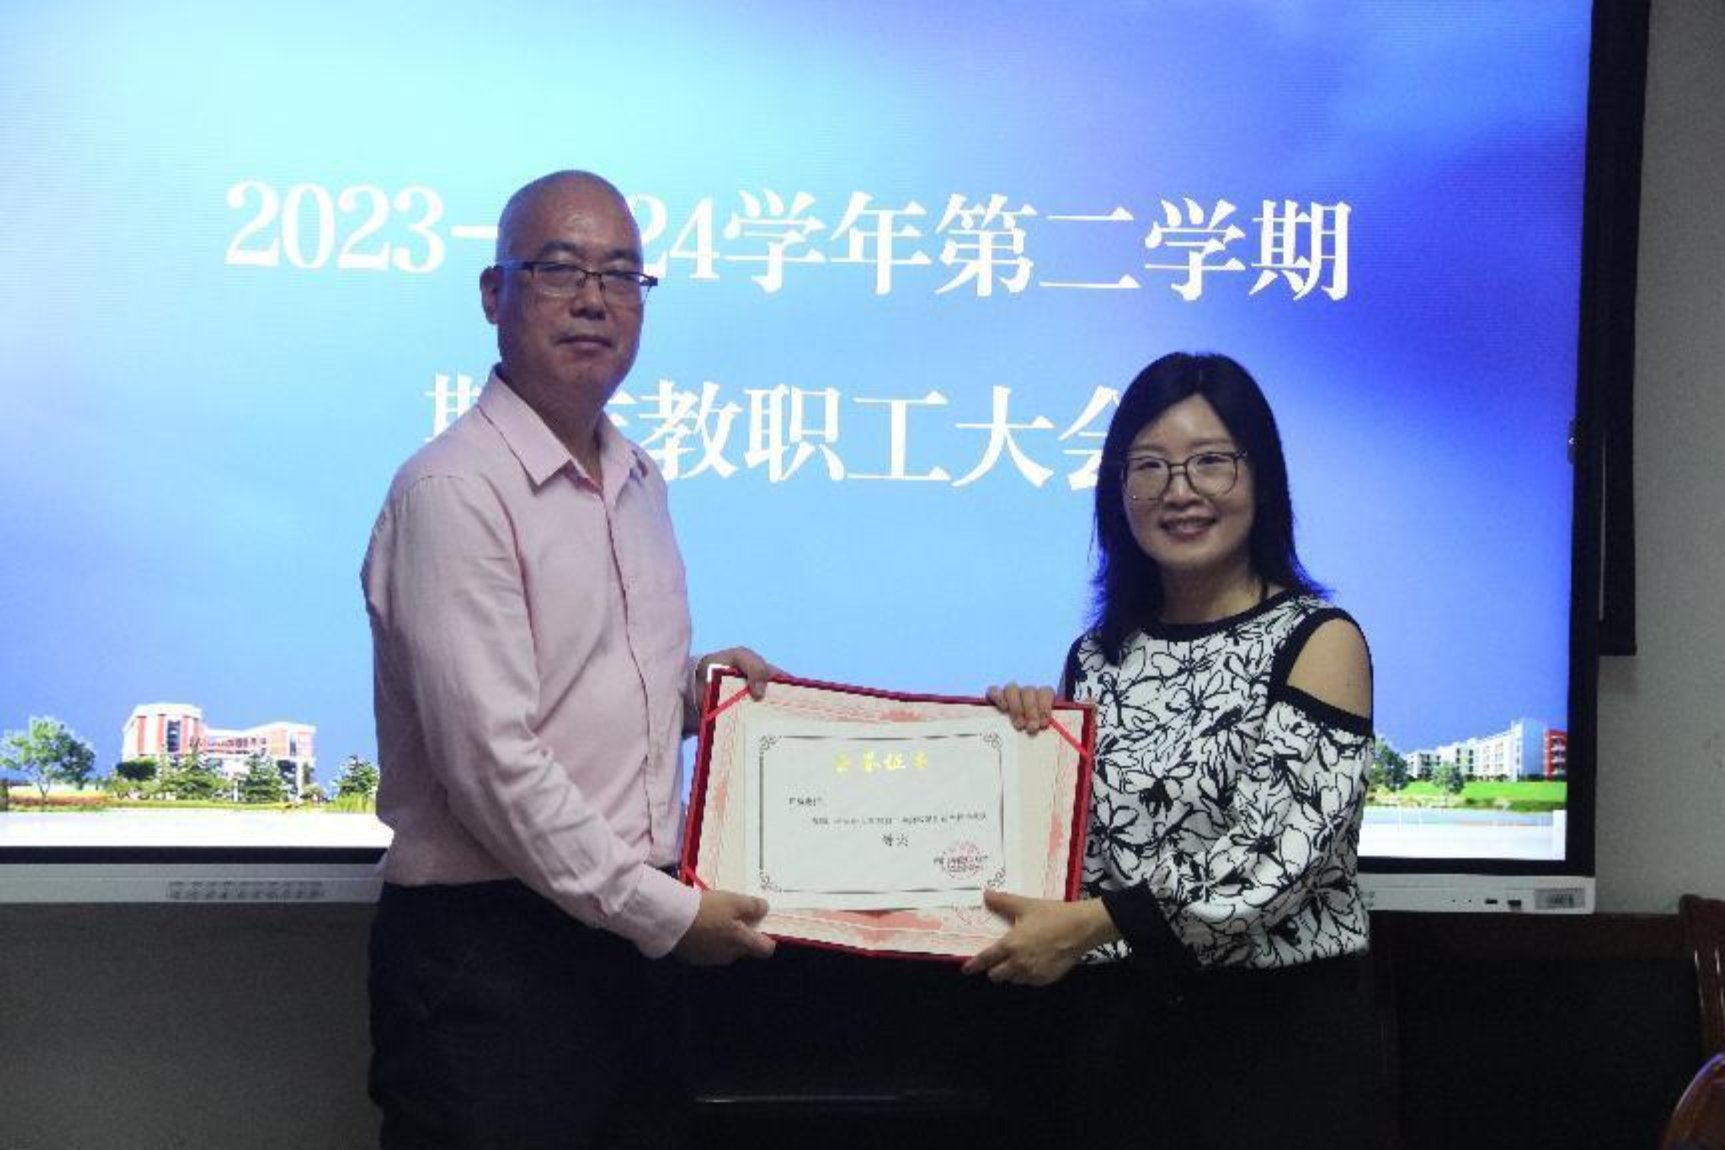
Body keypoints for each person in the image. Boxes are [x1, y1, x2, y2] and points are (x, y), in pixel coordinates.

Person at [361, 170, 776, 1150]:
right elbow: (491, 765)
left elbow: (581, 689)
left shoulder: (637, 478)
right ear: (493, 293)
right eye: (560, 269)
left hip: (622, 945)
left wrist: (697, 699)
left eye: (622, 275)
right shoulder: (455, 490)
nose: (595, 299)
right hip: (493, 957)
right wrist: (665, 917)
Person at [968, 352, 1381, 1149]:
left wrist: (1086, 926)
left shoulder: (1317, 640)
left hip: (1267, 1047)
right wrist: (1023, 745)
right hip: (1116, 1037)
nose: (1179, 490)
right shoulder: (1099, 655)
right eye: (1149, 466)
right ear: (1117, 488)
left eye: (1209, 461)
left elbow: (1271, 868)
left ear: (1260, 478)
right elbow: (1077, 853)